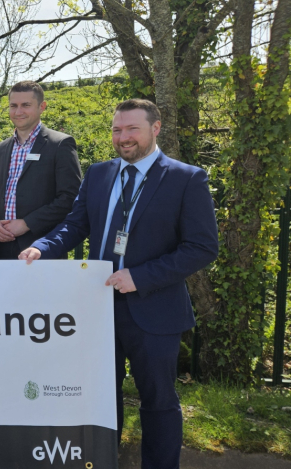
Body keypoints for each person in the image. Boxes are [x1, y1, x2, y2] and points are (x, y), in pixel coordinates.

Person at [20, 99, 219, 469]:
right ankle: (103, 461)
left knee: (158, 401)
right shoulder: (99, 174)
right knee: (100, 399)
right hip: (98, 309)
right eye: (116, 129)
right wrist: (41, 246)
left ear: (155, 128)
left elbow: (202, 247)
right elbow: (75, 225)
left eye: (132, 129)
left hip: (155, 310)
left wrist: (139, 277)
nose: (123, 137)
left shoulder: (186, 178)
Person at [0, 81, 82, 259]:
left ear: (42, 106)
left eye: (25, 105)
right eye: (13, 106)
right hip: (3, 249)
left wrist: (28, 223)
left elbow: (70, 197)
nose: (18, 111)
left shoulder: (60, 144)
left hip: (41, 249)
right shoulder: (1, 149)